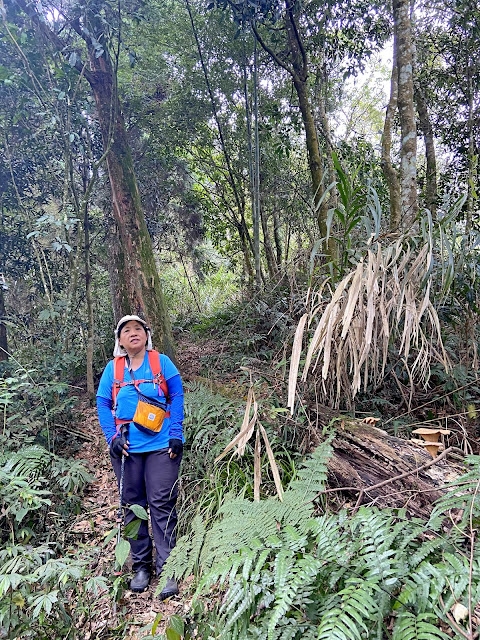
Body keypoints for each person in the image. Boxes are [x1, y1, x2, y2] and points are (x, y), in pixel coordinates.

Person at [96, 315, 184, 599]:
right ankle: (142, 566)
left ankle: (169, 567)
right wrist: (112, 437)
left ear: (146, 335)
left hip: (161, 446)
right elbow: (102, 402)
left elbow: (178, 395)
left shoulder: (161, 362)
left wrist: (176, 434)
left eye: (138, 329)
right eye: (126, 331)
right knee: (132, 506)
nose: (133, 333)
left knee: (161, 503)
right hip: (127, 450)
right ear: (119, 341)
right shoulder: (113, 369)